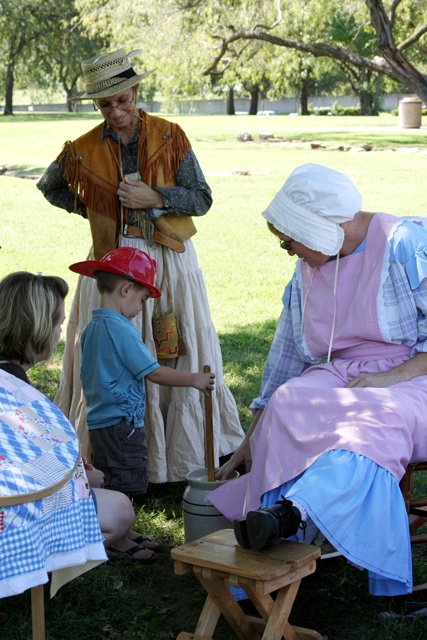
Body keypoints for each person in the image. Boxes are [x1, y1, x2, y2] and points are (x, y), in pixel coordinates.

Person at [209, 163, 427, 597]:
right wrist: (245, 448)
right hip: (342, 376)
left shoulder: (405, 243)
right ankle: (276, 553)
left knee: (373, 420)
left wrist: (390, 377)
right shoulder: (307, 272)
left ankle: (292, 519)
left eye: (289, 241)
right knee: (288, 401)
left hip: (413, 373)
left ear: (318, 226)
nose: (288, 251)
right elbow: (282, 366)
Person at [36, 47, 244, 483]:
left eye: (123, 100)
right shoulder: (83, 149)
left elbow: (202, 198)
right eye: (106, 104)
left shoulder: (170, 136)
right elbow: (50, 186)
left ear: (136, 91)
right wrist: (98, 208)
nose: (116, 111)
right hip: (112, 263)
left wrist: (156, 198)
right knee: (114, 352)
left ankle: (179, 458)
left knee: (174, 342)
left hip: (166, 256)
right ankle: (119, 456)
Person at [0, 271, 160, 564]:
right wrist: (81, 477)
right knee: (121, 510)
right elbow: (24, 470)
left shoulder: (9, 377)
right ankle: (34, 564)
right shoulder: (12, 390)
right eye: (58, 323)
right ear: (35, 326)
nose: (60, 331)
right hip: (10, 517)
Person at [68, 246, 215, 496]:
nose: (140, 308)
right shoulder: (122, 330)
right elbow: (154, 373)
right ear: (126, 289)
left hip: (100, 423)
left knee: (110, 477)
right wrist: (194, 379)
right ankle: (117, 528)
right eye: (143, 299)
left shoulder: (92, 327)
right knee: (126, 480)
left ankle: (112, 522)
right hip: (122, 426)